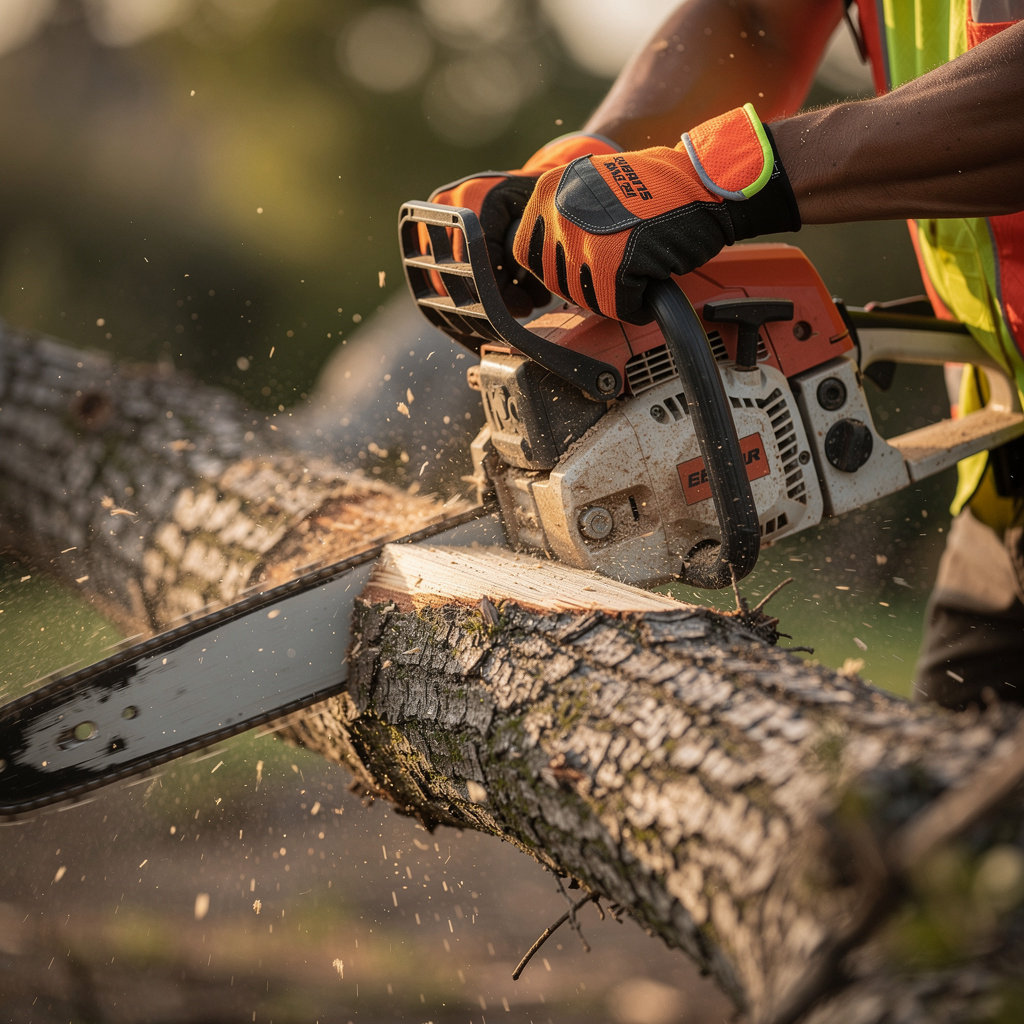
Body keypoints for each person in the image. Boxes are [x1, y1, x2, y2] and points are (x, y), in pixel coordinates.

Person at [427, 1, 1024, 710]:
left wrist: (722, 177)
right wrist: (589, 170)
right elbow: (756, 20)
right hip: (1001, 486)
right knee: (936, 801)